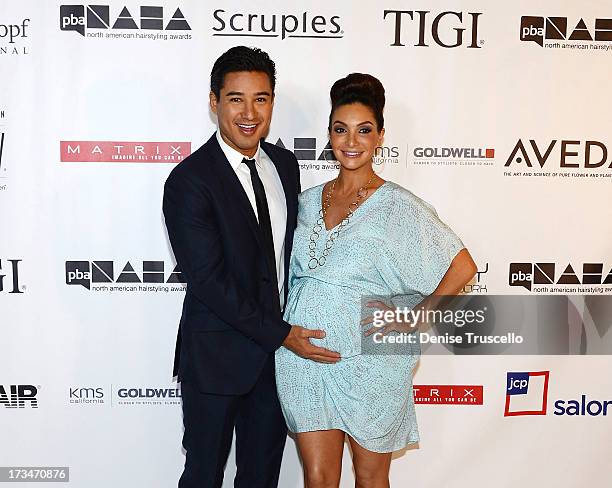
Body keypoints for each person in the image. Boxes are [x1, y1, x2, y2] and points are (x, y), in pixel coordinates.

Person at [275, 73, 477, 488]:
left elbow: (462, 266)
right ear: (329, 134)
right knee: (318, 478)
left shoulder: (401, 207)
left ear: (381, 136)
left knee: (370, 478)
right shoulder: (306, 201)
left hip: (373, 362)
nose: (351, 141)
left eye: (364, 130)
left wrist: (418, 315)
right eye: (340, 130)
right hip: (303, 360)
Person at [162, 46, 340, 488]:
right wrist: (281, 333)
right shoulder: (189, 180)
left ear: (272, 103)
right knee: (203, 474)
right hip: (217, 359)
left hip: (274, 361)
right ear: (214, 102)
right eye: (235, 98)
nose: (248, 112)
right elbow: (208, 282)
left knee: (262, 476)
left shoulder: (284, 164)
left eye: (260, 98)